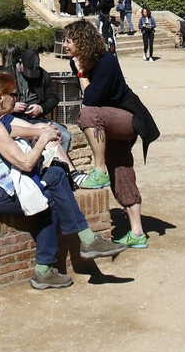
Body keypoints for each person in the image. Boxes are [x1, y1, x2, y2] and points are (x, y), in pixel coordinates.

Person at [0, 70, 125, 290]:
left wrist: (37, 130)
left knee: (53, 186)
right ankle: (65, 254)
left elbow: (5, 133)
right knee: (52, 188)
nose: (17, 100)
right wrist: (42, 140)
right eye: (14, 95)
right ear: (0, 97)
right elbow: (25, 163)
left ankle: (72, 251)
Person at [66, 22, 158, 249]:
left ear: (82, 41)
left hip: (128, 117)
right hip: (107, 121)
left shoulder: (106, 61)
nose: (64, 44)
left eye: (69, 40)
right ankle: (137, 232)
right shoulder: (78, 61)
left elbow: (91, 99)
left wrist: (80, 73)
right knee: (122, 170)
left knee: (86, 114)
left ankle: (98, 171)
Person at [7, 47, 60, 121]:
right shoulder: (6, 74)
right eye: (28, 71)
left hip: (36, 118)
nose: (30, 76)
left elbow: (53, 98)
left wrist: (41, 108)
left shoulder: (43, 75)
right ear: (20, 61)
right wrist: (10, 107)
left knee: (64, 133)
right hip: (12, 117)